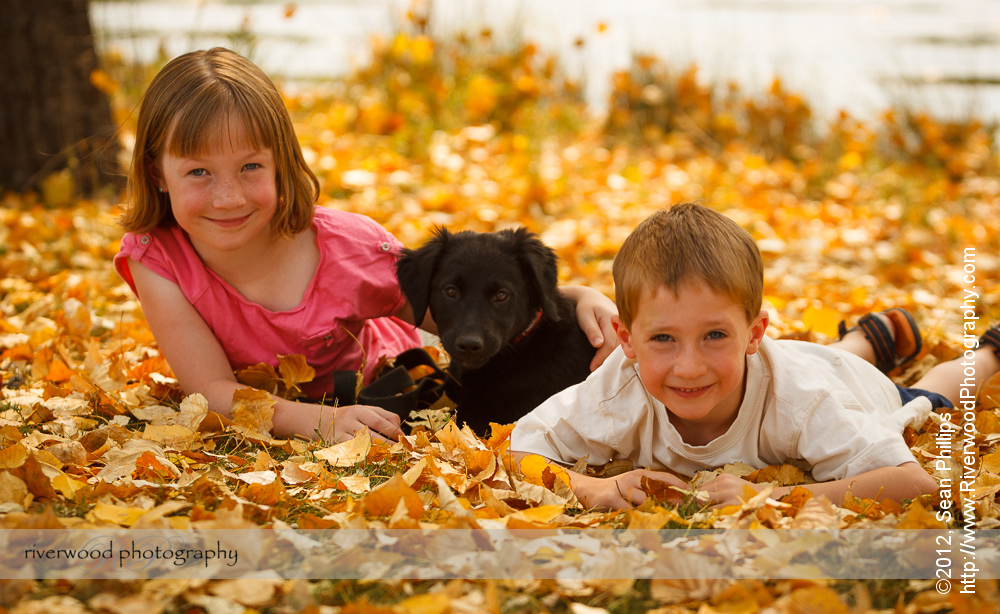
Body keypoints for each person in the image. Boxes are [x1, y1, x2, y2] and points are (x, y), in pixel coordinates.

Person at [114, 47, 619, 444]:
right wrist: (320, 423)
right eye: (199, 172)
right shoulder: (157, 260)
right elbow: (213, 392)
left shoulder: (346, 251)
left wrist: (576, 297)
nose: (228, 197)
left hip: (381, 379)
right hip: (319, 412)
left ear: (281, 163)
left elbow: (467, 302)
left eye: (250, 167)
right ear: (158, 173)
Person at [510, 203, 1000, 509]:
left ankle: (988, 352)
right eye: (663, 340)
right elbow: (521, 448)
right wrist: (594, 489)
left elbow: (913, 483)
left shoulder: (805, 402)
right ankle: (869, 338)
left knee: (930, 396)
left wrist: (777, 496)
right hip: (805, 361)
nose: (688, 366)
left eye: (714, 335)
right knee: (821, 359)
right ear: (628, 339)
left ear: (754, 332)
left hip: (849, 385)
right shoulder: (618, 387)